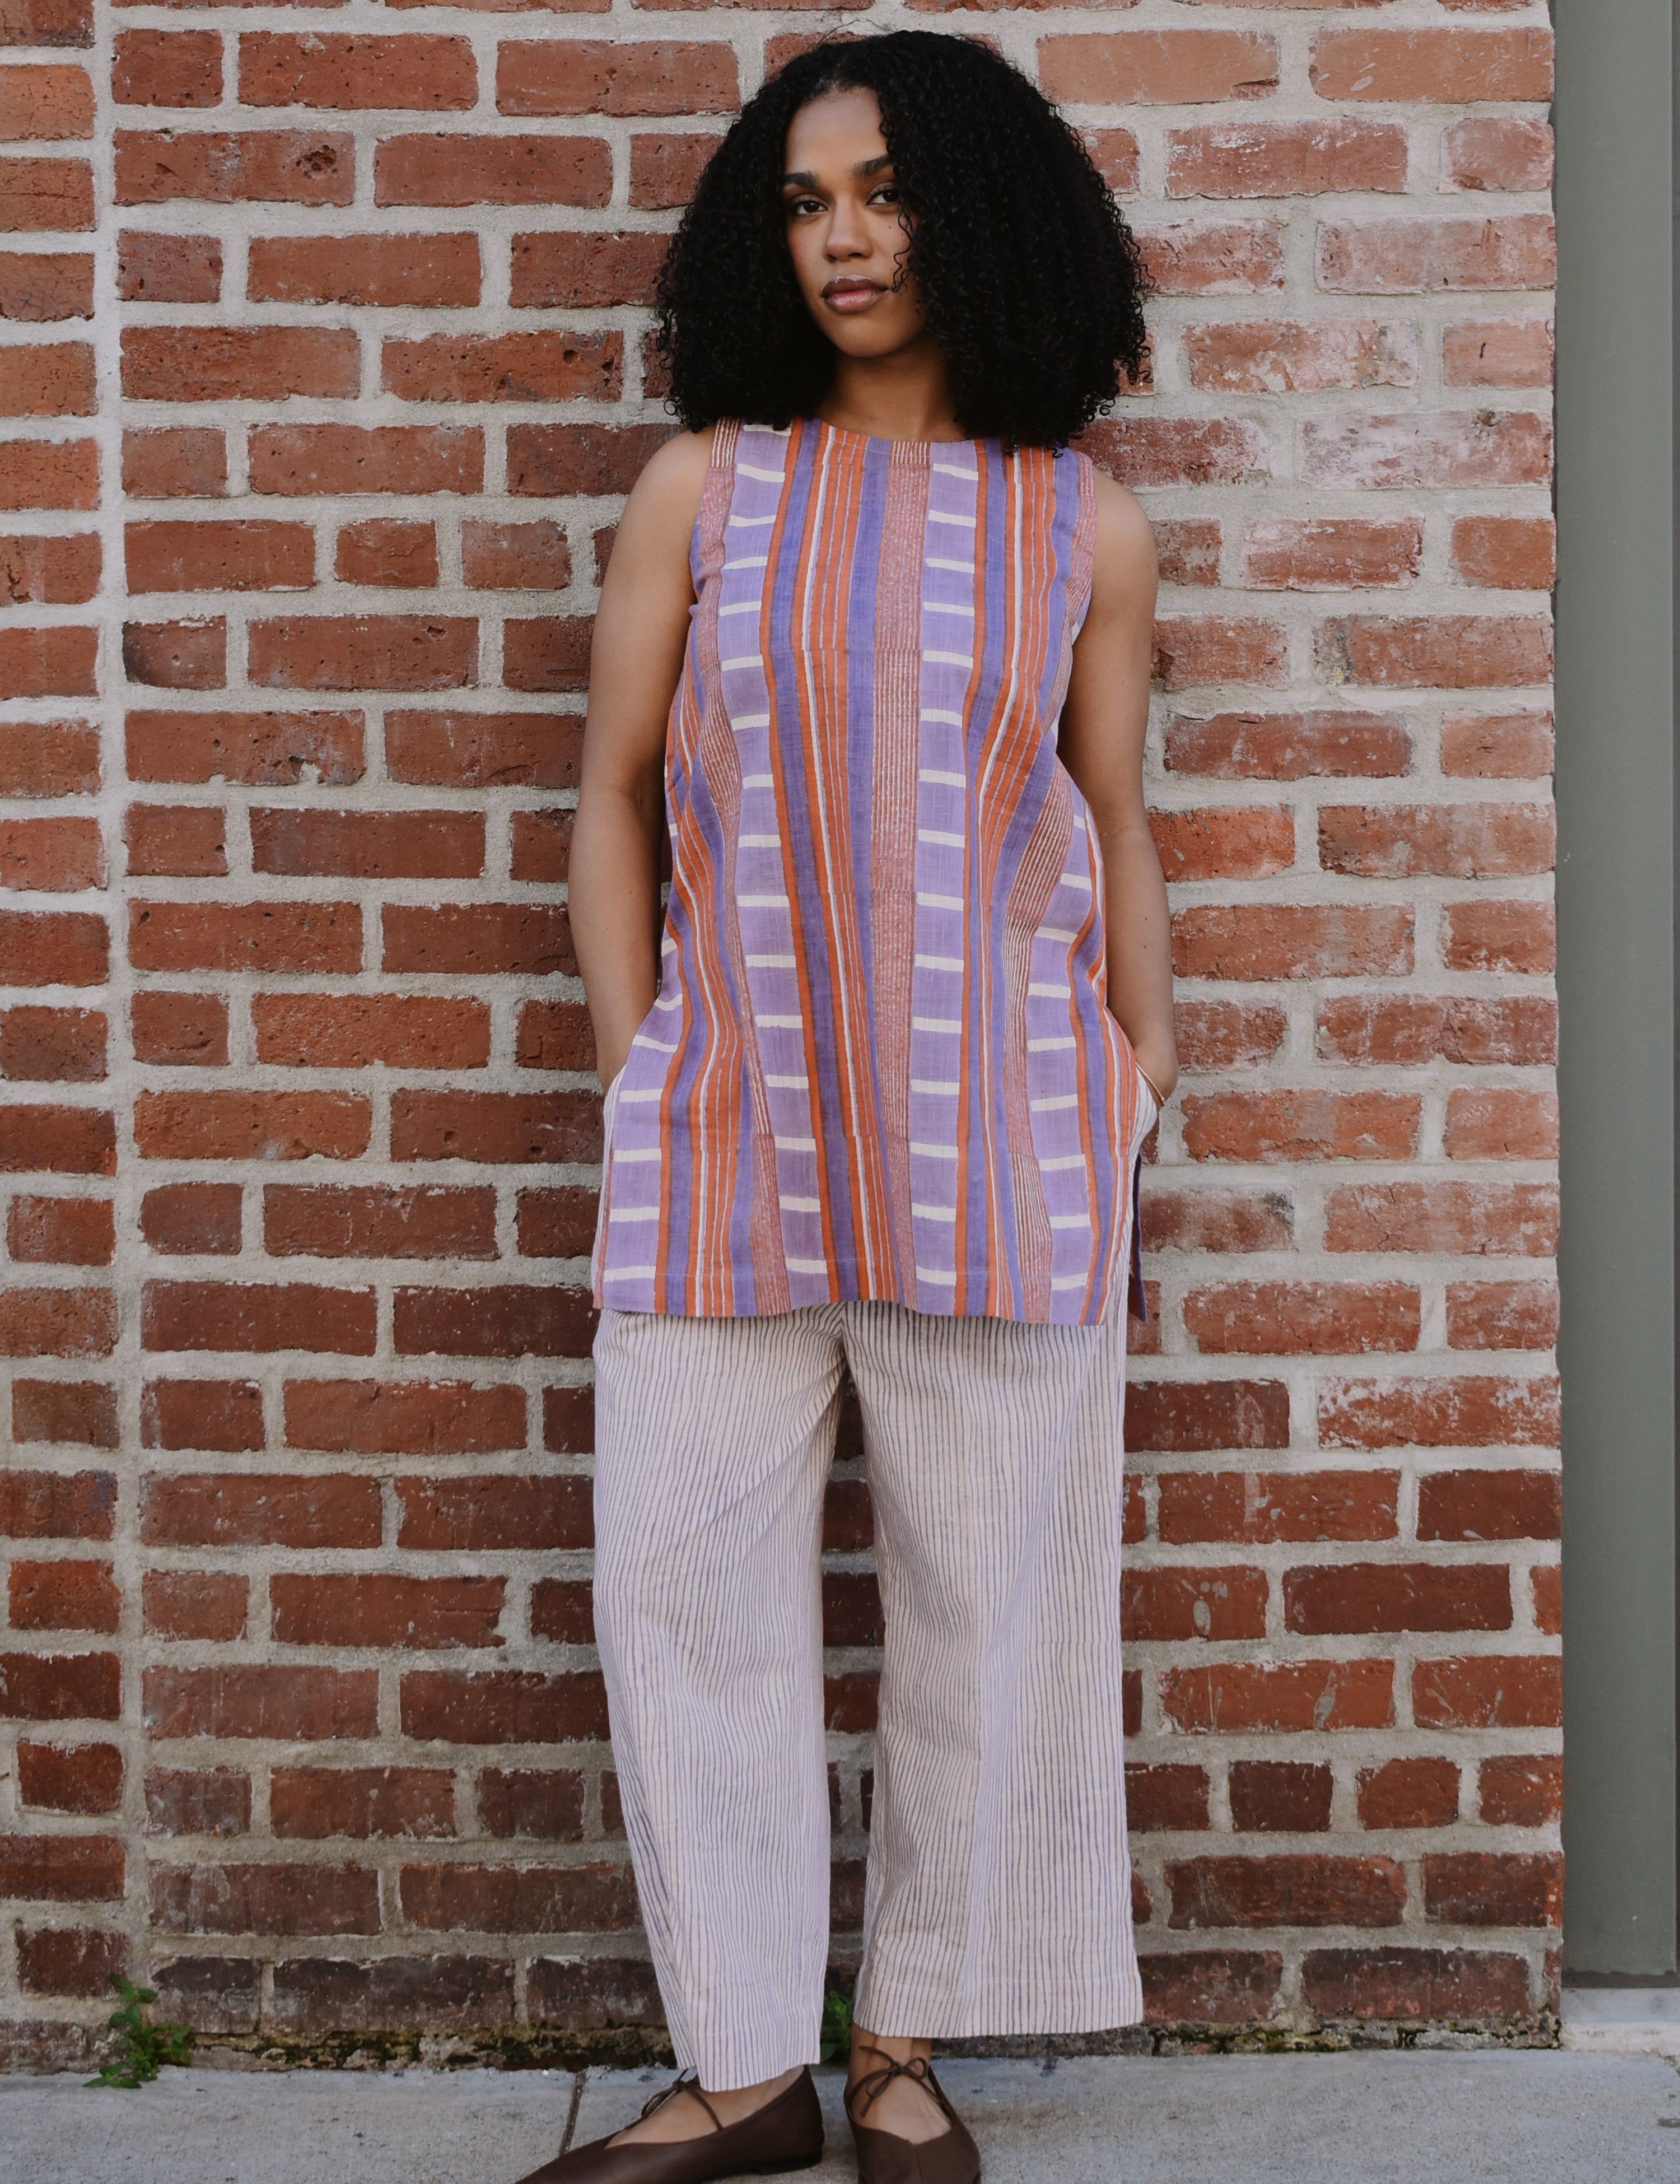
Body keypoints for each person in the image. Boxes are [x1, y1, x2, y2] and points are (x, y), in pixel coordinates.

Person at [518, 30, 1175, 2184]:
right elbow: (612, 798)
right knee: (685, 1589)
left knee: (988, 1608)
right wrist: (641, 1067)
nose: (847, 240)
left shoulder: (1082, 519)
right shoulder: (706, 489)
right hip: (722, 1139)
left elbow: (1110, 819)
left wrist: (1142, 1064)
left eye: (884, 191)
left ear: (980, 209)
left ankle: (897, 2044)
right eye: (805, 204)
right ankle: (740, 2063)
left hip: (1005, 1142)